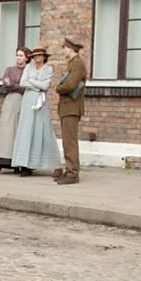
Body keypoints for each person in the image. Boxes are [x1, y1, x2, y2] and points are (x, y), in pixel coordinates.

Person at [11, 46, 61, 177]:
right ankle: (25, 165)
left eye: (40, 55)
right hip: (27, 102)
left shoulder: (48, 69)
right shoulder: (29, 67)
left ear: (44, 57)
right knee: (26, 131)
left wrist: (31, 81)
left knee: (44, 131)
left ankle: (55, 164)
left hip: (40, 103)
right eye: (35, 56)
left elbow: (45, 86)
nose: (37, 58)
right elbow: (23, 83)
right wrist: (37, 85)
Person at [0, 47, 29, 174]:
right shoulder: (10, 69)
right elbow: (5, 86)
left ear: (26, 58)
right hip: (9, 102)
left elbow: (26, 88)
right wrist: (15, 86)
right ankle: (0, 162)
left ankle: (17, 163)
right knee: (6, 131)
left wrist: (12, 85)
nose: (18, 57)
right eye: (17, 55)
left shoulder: (28, 71)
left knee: (18, 132)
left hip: (23, 102)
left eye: (21, 55)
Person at [56, 38, 88, 185]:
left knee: (70, 142)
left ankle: (73, 173)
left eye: (64, 48)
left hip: (72, 107)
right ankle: (69, 170)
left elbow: (70, 85)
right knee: (67, 142)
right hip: (67, 107)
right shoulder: (72, 64)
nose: (63, 51)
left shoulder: (78, 64)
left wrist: (59, 88)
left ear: (70, 49)